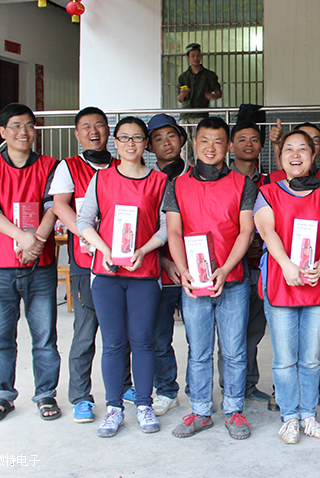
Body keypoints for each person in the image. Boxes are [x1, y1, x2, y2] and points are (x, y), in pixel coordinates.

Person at [164, 117, 256, 440]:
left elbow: (246, 231)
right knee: (199, 350)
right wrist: (184, 270)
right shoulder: (177, 185)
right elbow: (174, 231)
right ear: (194, 143)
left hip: (233, 280)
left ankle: (234, 409)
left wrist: (225, 269)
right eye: (204, 140)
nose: (210, 147)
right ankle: (200, 411)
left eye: (218, 141)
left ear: (228, 146)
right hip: (195, 283)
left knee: (234, 351)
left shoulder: (243, 184)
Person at [77, 116, 168, 437]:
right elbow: (84, 221)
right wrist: (104, 249)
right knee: (114, 342)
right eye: (125, 138)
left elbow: (166, 226)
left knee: (143, 341)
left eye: (137, 138)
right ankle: (113, 408)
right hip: (106, 273)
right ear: (115, 142)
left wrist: (143, 250)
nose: (131, 144)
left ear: (146, 144)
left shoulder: (159, 181)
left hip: (145, 272)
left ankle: (143, 404)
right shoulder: (101, 179)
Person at [0, 103, 61, 423]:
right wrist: (22, 238)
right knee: (1, 339)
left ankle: (46, 394)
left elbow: (53, 206)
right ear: (3, 132)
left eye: (28, 125)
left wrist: (35, 242)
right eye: (15, 126)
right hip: (0, 267)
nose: (23, 132)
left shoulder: (51, 165)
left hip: (40, 267)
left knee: (45, 337)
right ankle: (2, 396)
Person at [50, 106, 134, 424]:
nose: (93, 131)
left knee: (121, 330)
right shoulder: (68, 167)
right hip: (86, 263)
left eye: (99, 125)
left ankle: (124, 385)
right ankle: (81, 397)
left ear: (108, 132)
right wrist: (92, 237)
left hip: (120, 264)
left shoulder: (121, 167)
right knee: (86, 332)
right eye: (86, 126)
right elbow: (60, 206)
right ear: (77, 134)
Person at [254, 129, 320, 443]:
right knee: (285, 358)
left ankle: (308, 414)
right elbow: (267, 231)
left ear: (313, 155)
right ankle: (289, 416)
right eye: (289, 149)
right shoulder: (268, 192)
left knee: (312, 357)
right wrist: (287, 265)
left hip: (317, 281)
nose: (296, 154)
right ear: (280, 157)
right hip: (282, 281)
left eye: (303, 148)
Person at [146, 113, 190, 416]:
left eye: (171, 135)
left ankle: (201, 393)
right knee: (159, 337)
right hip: (158, 271)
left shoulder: (196, 177)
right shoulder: (146, 181)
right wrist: (163, 259)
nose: (166, 143)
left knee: (201, 339)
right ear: (149, 146)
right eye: (158, 138)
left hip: (196, 271)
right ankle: (166, 390)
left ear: (182, 140)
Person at [227, 120, 271, 405]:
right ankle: (230, 386)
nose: (248, 144)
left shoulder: (269, 182)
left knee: (254, 331)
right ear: (231, 146)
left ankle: (248, 383)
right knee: (230, 333)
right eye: (242, 139)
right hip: (232, 267)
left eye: (254, 139)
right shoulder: (222, 181)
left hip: (261, 266)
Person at [177, 42, 222, 165]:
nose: (196, 58)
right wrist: (183, 94)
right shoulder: (183, 77)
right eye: (193, 55)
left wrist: (212, 96)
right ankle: (188, 170)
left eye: (198, 55)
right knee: (185, 145)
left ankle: (201, 169)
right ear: (187, 57)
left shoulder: (209, 75)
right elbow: (180, 99)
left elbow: (219, 92)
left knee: (200, 143)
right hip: (185, 115)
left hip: (201, 115)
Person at [266, 121, 320, 186]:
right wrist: (276, 144)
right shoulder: (272, 180)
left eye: (315, 140)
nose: (310, 144)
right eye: (304, 139)